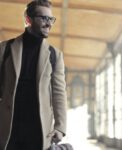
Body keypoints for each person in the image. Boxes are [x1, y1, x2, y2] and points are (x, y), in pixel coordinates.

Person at [0, 0, 67, 150]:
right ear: (28, 19)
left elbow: (59, 93)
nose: (49, 23)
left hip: (39, 129)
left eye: (51, 19)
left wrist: (60, 127)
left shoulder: (55, 55)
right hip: (8, 128)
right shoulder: (5, 49)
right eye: (43, 18)